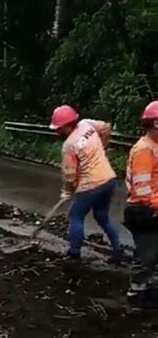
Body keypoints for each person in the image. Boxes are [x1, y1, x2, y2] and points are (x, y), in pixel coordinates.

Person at [49, 105, 122, 261]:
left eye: (59, 128)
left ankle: (74, 253)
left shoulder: (69, 145)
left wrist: (68, 191)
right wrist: (103, 145)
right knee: (102, 216)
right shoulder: (87, 124)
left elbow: (70, 176)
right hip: (109, 179)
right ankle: (118, 250)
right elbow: (106, 127)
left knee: (75, 215)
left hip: (91, 185)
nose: (57, 132)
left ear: (67, 126)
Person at [124, 101, 158, 303]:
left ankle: (146, 288)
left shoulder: (153, 147)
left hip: (151, 207)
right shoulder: (144, 150)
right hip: (143, 210)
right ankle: (137, 294)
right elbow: (143, 190)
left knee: (153, 253)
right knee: (147, 255)